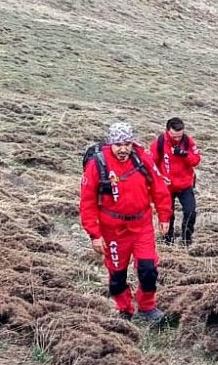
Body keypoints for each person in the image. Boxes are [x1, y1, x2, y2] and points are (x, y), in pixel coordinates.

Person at [79, 122, 173, 322]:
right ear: (111, 143)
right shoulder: (97, 164)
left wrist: (165, 216)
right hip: (112, 229)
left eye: (127, 144)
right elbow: (87, 202)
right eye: (118, 144)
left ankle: (147, 307)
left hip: (142, 225)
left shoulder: (142, 158)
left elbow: (158, 187)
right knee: (117, 276)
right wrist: (94, 235)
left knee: (148, 269)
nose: (123, 149)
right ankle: (125, 309)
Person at [153, 117, 201, 245]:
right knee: (168, 215)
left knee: (190, 212)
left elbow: (196, 160)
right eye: (174, 136)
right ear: (167, 131)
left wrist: (185, 154)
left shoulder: (188, 142)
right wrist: (159, 177)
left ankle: (186, 240)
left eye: (180, 136)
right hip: (166, 186)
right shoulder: (160, 142)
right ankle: (168, 240)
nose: (178, 139)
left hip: (185, 185)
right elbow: (151, 163)